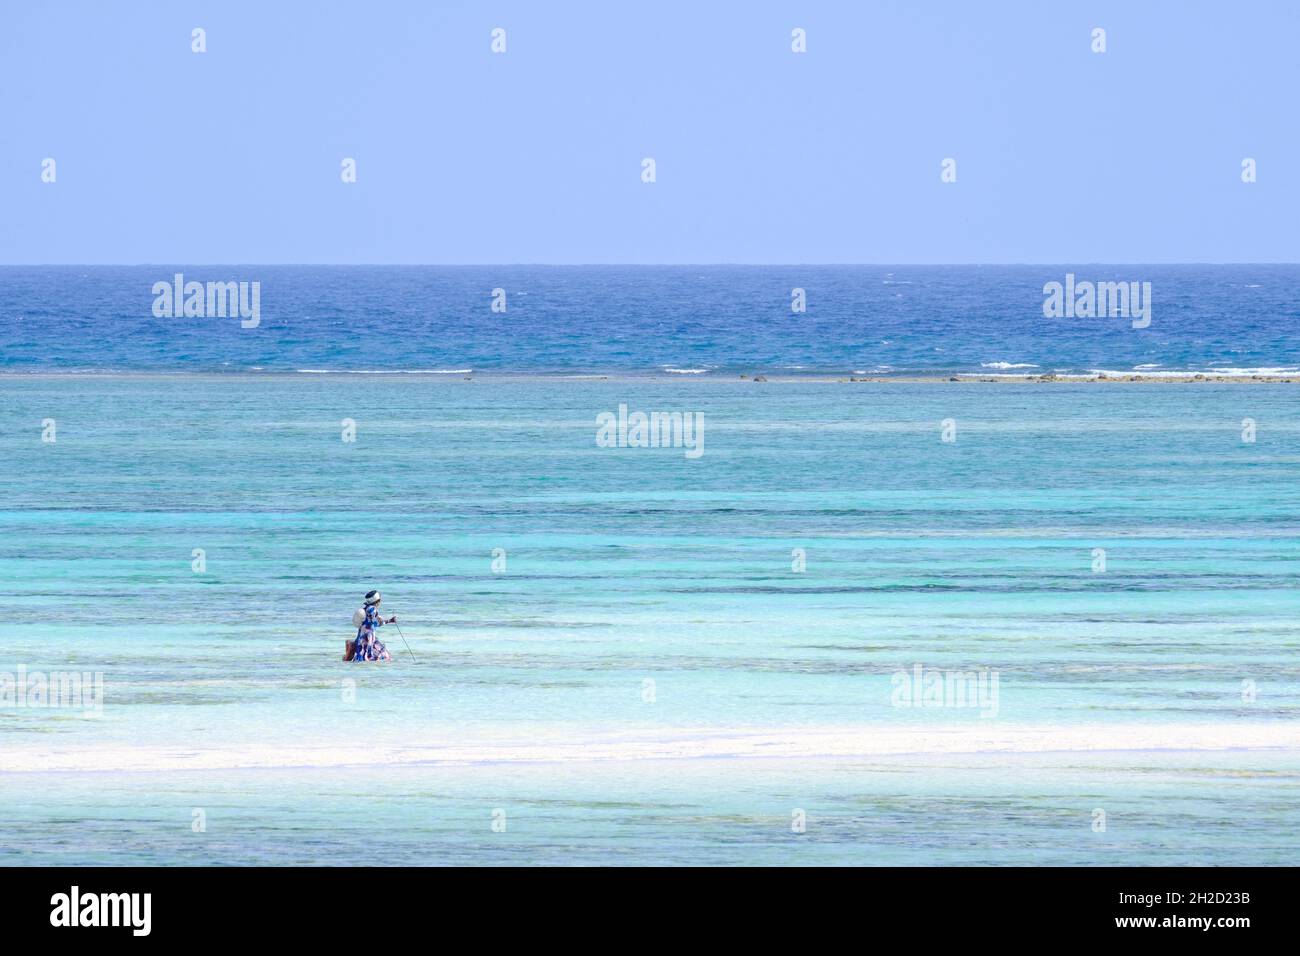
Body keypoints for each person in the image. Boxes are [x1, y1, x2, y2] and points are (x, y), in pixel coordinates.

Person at [351, 590, 396, 662]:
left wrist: (389, 621)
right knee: (382, 656)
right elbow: (375, 623)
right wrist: (389, 621)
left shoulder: (365, 609)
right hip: (368, 638)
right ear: (377, 601)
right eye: (380, 600)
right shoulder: (373, 610)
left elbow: (372, 622)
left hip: (362, 638)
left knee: (362, 657)